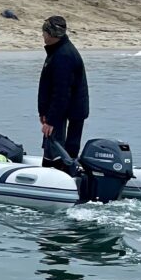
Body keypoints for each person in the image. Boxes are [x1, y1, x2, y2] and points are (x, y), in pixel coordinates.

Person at [38, 16, 90, 168]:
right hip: (63, 110)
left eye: (44, 32)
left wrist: (51, 121)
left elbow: (61, 93)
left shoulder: (63, 56)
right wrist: (43, 112)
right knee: (57, 146)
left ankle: (58, 175)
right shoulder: (58, 51)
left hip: (67, 110)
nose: (42, 35)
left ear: (52, 34)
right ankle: (65, 170)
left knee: (55, 147)